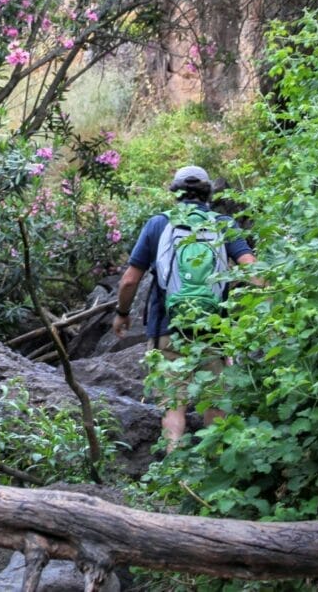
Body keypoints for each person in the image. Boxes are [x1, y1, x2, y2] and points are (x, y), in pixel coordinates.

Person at [111, 165, 256, 452]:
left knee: (172, 405)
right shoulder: (224, 224)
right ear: (209, 194)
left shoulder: (157, 224)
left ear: (175, 194)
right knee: (215, 402)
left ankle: (175, 473)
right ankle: (214, 471)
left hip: (167, 329)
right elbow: (253, 272)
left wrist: (122, 313)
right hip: (213, 329)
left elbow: (129, 281)